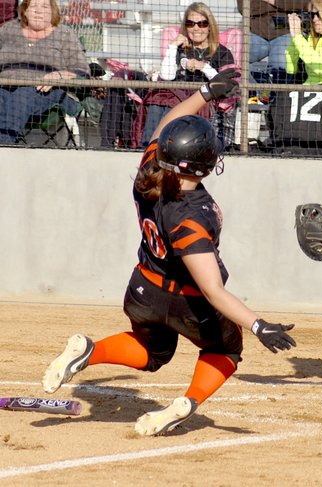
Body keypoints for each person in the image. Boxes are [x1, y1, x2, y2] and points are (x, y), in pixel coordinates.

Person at [41, 68, 297, 437]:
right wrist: (258, 325)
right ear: (204, 165)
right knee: (226, 351)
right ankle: (189, 402)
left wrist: (206, 92)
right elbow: (212, 290)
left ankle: (89, 351)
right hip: (187, 303)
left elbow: (169, 123)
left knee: (153, 353)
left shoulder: (150, 171)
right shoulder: (191, 214)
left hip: (143, 288)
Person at [138, 2, 235, 146]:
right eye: (190, 23)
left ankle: (159, 145)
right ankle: (149, 147)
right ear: (185, 26)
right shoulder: (181, 49)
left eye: (202, 24)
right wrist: (172, 47)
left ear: (210, 27)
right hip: (175, 94)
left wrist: (204, 67)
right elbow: (166, 77)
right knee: (158, 97)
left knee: (168, 100)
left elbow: (227, 84)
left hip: (203, 99)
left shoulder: (222, 52)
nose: (196, 28)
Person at [0, 0, 89, 143]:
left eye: (44, 6)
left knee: (22, 94)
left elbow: (82, 70)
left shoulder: (64, 33)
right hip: (6, 86)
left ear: (53, 11)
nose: (38, 10)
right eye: (33, 6)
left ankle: (4, 148)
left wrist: (58, 75)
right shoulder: (8, 30)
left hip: (50, 91)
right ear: (24, 10)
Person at [236, 0, 306, 84]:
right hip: (256, 31)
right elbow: (245, 8)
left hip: (286, 31)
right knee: (238, 59)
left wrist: (271, 1)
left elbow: (302, 4)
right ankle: (253, 93)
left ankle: (277, 95)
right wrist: (281, 7)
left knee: (281, 65)